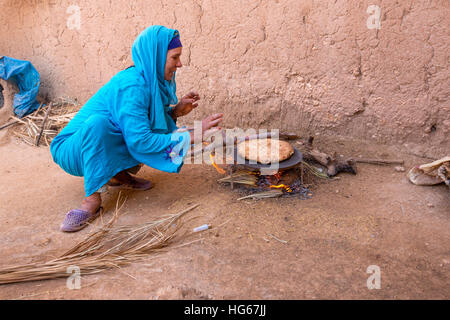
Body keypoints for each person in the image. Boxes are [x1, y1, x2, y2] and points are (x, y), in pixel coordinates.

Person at [50, 25, 223, 232]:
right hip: (71, 149)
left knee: (126, 128)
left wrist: (175, 112)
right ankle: (91, 201)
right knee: (100, 124)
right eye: (174, 58)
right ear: (156, 56)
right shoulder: (132, 86)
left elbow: (145, 123)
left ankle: (116, 175)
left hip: (96, 140)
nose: (180, 64)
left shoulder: (150, 81)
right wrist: (196, 134)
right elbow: (141, 141)